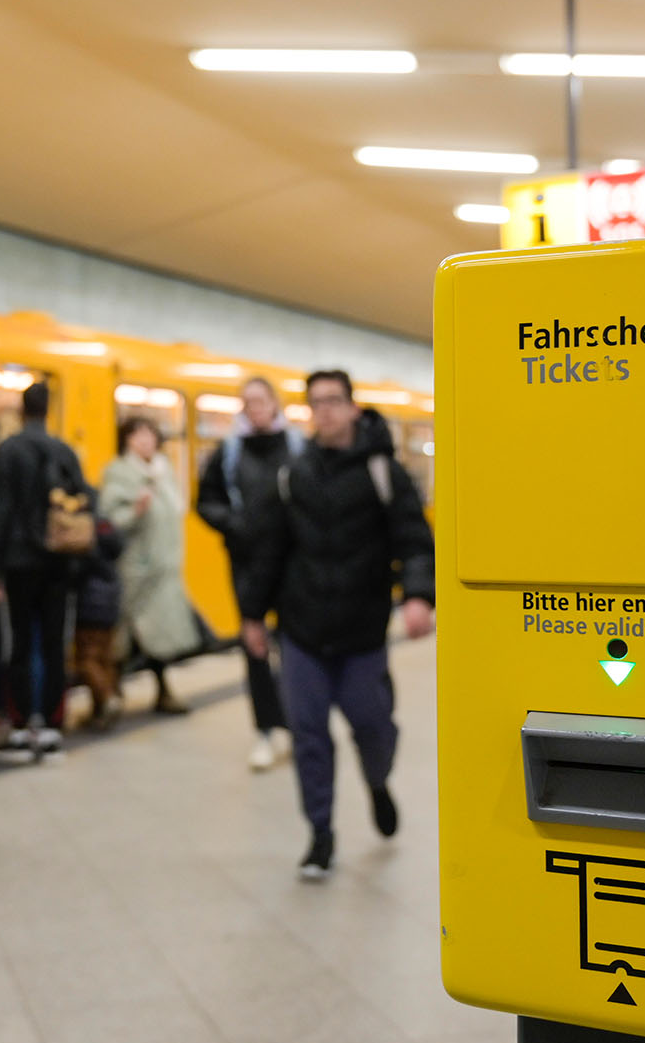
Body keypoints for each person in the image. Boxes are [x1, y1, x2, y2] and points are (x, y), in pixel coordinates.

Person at [239, 369, 434, 882]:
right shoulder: (292, 475)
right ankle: (320, 836)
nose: (324, 410)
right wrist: (253, 614)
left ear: (352, 408)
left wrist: (417, 595)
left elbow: (414, 539)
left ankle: (377, 782)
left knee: (372, 727)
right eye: (315, 402)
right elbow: (270, 552)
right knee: (308, 735)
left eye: (333, 401)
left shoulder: (383, 472)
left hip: (362, 630)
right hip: (302, 630)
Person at [197, 377, 301, 771]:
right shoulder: (229, 451)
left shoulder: (297, 447)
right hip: (247, 562)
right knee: (254, 646)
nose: (253, 408)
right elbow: (205, 501)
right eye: (247, 402)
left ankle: (295, 721)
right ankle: (266, 729)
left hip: (293, 564)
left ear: (275, 403)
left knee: (294, 645)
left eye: (260, 401)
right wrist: (233, 523)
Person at [0, 381, 90, 764]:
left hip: (18, 561)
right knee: (52, 643)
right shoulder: (64, 450)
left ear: (21, 408)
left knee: (19, 645)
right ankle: (50, 726)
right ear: (48, 410)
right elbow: (84, 499)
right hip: (58, 561)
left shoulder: (8, 451)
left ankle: (19, 727)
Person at [100, 417, 198, 714]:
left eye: (149, 434)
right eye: (137, 435)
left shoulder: (164, 471)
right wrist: (135, 512)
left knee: (160, 634)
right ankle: (108, 695)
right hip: (136, 568)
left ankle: (162, 691)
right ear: (126, 440)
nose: (144, 441)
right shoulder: (118, 473)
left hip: (164, 567)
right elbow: (108, 521)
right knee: (125, 635)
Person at [70, 516, 126, 729]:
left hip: (90, 604)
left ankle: (107, 697)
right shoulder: (106, 526)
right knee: (104, 658)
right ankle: (99, 710)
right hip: (111, 602)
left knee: (85, 659)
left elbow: (77, 568)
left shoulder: (82, 529)